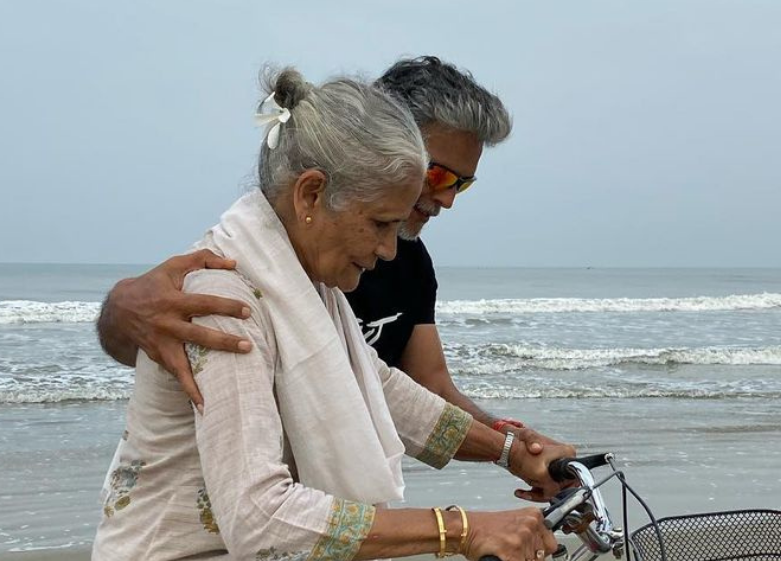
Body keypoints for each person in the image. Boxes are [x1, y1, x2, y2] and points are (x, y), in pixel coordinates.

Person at [86, 67, 575, 561]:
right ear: (312, 193)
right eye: (379, 225)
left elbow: (390, 391)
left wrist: (515, 451)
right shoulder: (224, 297)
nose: (384, 249)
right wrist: (458, 529)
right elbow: (260, 517)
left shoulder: (306, 286)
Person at [96, 56, 556, 452]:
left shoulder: (409, 262)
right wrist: (121, 308)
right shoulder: (263, 254)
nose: (449, 199)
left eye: (463, 183)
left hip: (329, 507)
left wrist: (513, 445)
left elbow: (420, 389)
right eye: (438, 176)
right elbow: (160, 339)